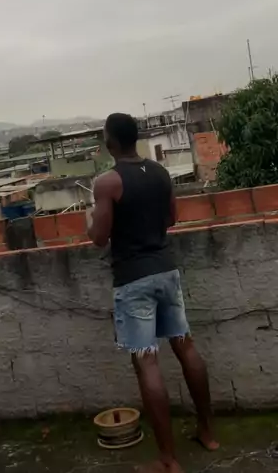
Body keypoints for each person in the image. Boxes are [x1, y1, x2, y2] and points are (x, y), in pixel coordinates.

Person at [87, 112, 218, 473]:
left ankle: (168, 460)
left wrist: (90, 221)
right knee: (185, 347)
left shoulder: (108, 182)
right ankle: (208, 433)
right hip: (166, 270)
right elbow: (171, 218)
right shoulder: (160, 173)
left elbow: (98, 238)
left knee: (147, 361)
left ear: (110, 142)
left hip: (134, 280)